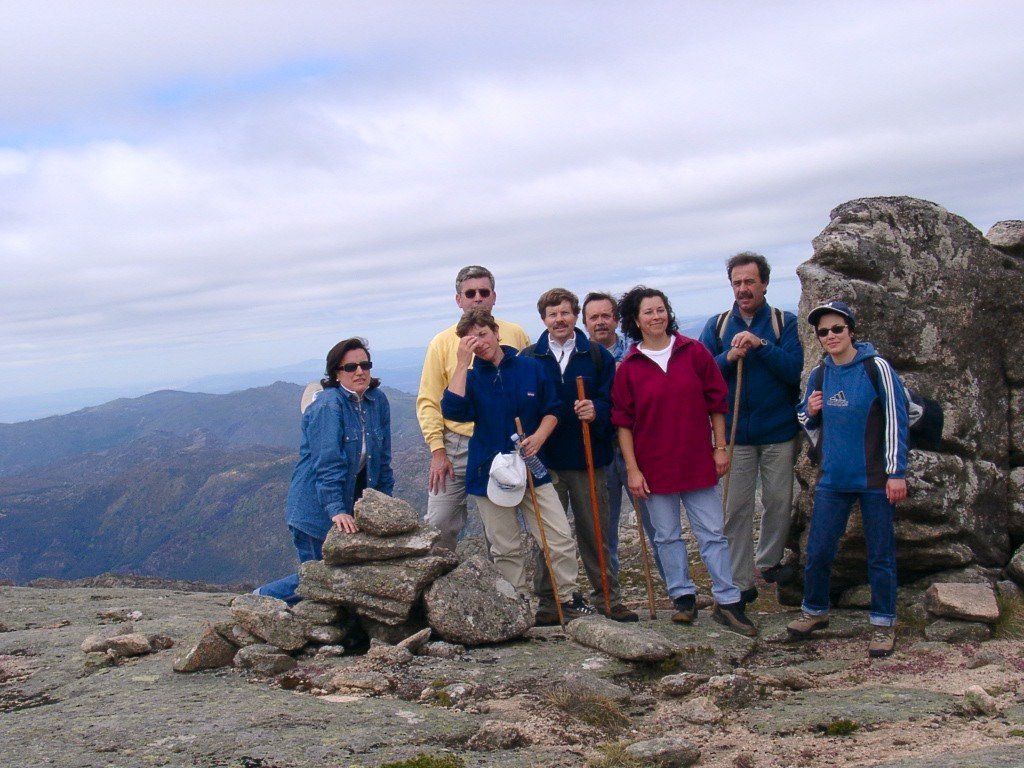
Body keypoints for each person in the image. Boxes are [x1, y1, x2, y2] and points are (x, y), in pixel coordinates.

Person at [611, 286, 756, 636]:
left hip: (695, 460)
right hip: (654, 465)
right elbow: (623, 424)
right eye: (648, 312)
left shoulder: (694, 352)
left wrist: (720, 447)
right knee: (667, 537)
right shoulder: (628, 368)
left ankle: (728, 600)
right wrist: (632, 470)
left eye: (660, 309)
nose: (656, 316)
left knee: (712, 534)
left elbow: (716, 403)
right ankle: (682, 598)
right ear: (635, 319)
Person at [441, 308, 594, 621]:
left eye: (483, 334)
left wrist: (538, 437)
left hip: (532, 466)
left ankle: (567, 597)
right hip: (488, 471)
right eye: (470, 340)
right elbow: (454, 410)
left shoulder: (530, 368)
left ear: (496, 332)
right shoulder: (469, 378)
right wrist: (460, 362)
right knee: (505, 545)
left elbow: (553, 409)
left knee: (558, 537)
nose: (479, 343)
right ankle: (518, 605)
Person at [789, 301, 908, 658]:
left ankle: (884, 624)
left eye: (837, 329)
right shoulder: (820, 374)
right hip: (832, 478)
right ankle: (814, 611)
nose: (830, 336)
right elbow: (805, 420)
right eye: (823, 332)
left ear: (851, 330)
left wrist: (896, 472)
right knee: (819, 549)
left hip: (875, 478)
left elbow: (896, 420)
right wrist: (807, 412)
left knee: (880, 554)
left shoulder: (876, 368)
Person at [521, 288, 638, 623]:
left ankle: (608, 599)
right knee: (549, 537)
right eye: (552, 314)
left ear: (575, 316)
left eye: (565, 313)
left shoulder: (596, 357)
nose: (560, 319)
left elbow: (612, 402)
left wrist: (596, 410)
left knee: (595, 532)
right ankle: (549, 603)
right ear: (543, 319)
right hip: (546, 464)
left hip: (590, 459)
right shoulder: (530, 358)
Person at [698, 252, 803, 606]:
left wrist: (762, 347)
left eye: (749, 282)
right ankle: (741, 581)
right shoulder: (717, 326)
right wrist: (728, 357)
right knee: (736, 509)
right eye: (737, 283)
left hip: (778, 432)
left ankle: (768, 562)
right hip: (736, 436)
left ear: (764, 283)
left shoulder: (783, 323)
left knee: (778, 502)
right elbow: (701, 376)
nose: (743, 289)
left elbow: (795, 371)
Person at [256, 338, 395, 605]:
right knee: (319, 580)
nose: (359, 371)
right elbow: (327, 463)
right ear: (335, 373)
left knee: (335, 581)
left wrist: (383, 506)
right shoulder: (328, 406)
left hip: (346, 507)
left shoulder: (377, 401)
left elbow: (383, 460)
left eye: (365, 365)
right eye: (350, 367)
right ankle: (261, 601)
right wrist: (336, 509)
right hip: (315, 511)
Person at [417, 266, 530, 551]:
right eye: (470, 293)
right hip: (457, 443)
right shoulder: (441, 343)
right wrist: (437, 450)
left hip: (504, 439)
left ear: (494, 296)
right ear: (459, 300)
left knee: (503, 524)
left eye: (484, 292)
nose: (477, 298)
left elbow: (532, 384)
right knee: (439, 522)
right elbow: (429, 400)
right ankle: (438, 588)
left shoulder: (515, 334)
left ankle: (508, 590)